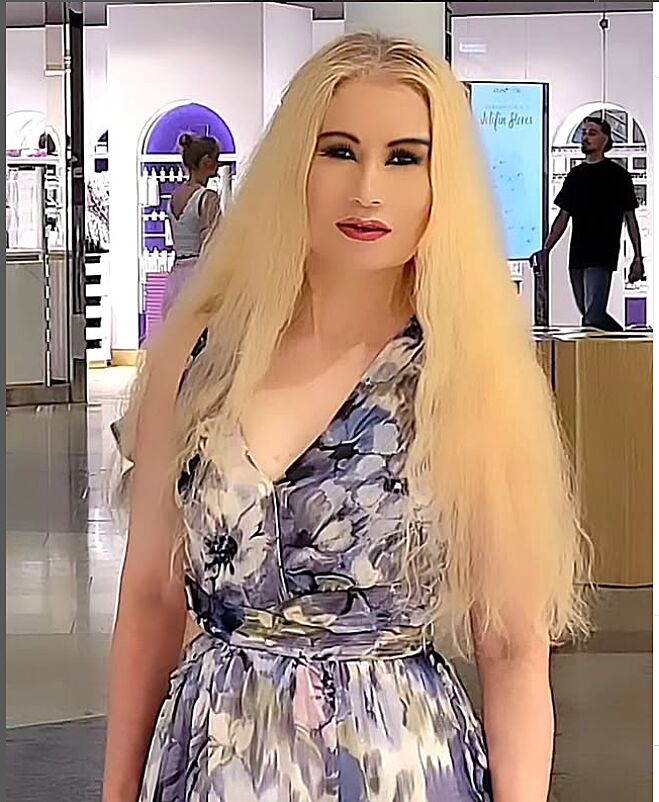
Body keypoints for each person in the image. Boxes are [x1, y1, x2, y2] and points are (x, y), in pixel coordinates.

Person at [104, 33, 590, 802]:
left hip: (396, 765)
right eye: (338, 151)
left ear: (441, 181)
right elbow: (151, 599)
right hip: (212, 760)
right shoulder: (201, 353)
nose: (367, 189)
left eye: (404, 158)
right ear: (294, 162)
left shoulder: (469, 377)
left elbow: (510, 647)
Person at [533, 117, 645, 331]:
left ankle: (625, 343)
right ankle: (617, 344)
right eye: (584, 133)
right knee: (588, 315)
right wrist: (547, 249)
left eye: (592, 133)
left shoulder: (618, 176)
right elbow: (563, 216)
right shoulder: (576, 176)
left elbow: (630, 218)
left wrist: (638, 257)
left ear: (606, 139)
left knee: (594, 316)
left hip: (602, 252)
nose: (585, 138)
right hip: (578, 253)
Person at [161, 133, 222, 317]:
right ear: (206, 162)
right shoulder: (207, 197)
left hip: (176, 275)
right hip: (199, 275)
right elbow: (212, 243)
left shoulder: (174, 197)